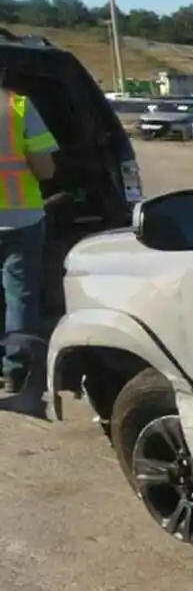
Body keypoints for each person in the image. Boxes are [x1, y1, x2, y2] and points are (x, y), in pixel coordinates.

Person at [0, 72, 60, 396]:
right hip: (21, 218)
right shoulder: (18, 107)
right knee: (19, 298)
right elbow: (46, 169)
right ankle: (16, 372)